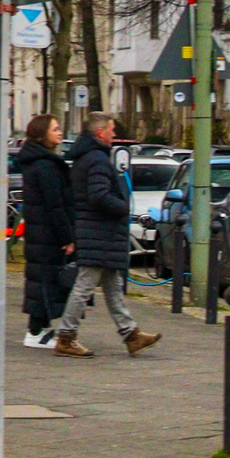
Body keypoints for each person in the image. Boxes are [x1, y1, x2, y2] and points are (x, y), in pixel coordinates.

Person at [53, 113, 159, 358]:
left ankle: (131, 334)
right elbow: (98, 195)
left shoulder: (84, 158)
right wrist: (122, 207)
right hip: (99, 231)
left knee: (112, 285)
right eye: (111, 130)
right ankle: (66, 336)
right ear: (100, 132)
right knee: (85, 284)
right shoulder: (98, 160)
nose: (114, 135)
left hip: (96, 231)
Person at [14, 113, 74, 349]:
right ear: (42, 135)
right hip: (48, 234)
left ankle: (40, 328)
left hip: (40, 232)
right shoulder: (46, 166)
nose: (60, 132)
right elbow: (55, 204)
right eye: (55, 129)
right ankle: (36, 331)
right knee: (46, 280)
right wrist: (67, 237)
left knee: (42, 279)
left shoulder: (37, 163)